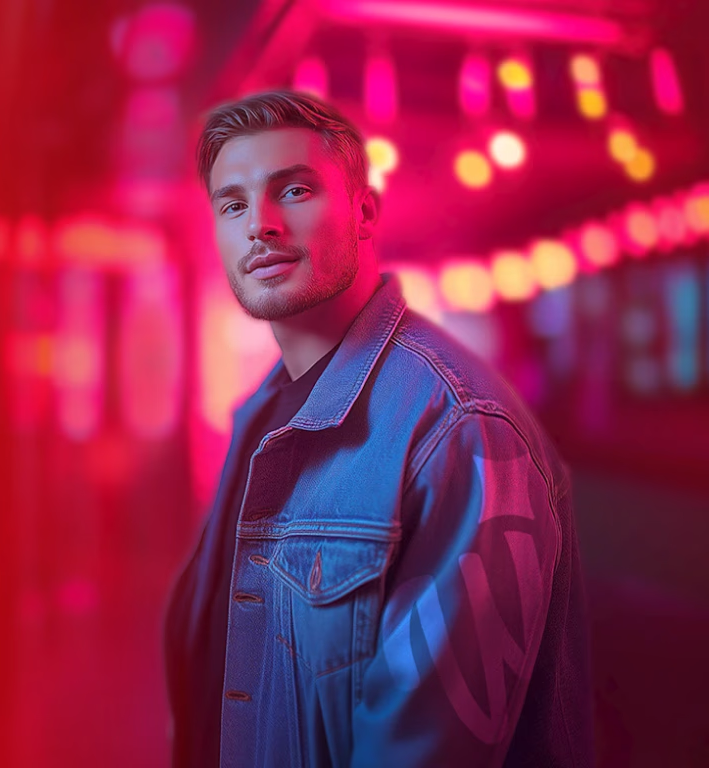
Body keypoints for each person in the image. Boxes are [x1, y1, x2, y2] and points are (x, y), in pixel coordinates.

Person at [164, 90, 594, 768]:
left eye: (294, 190)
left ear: (364, 213)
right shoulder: (259, 414)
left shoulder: (457, 428)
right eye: (233, 204)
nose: (260, 225)